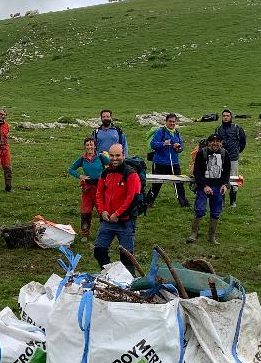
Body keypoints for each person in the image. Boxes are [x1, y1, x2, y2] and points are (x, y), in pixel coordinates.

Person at [93, 144, 141, 272]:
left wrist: (117, 214)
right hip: (107, 220)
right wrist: (102, 211)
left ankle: (130, 283)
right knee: (99, 251)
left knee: (126, 257)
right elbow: (99, 194)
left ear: (123, 155)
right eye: (112, 155)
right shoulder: (106, 173)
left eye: (117, 155)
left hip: (125, 221)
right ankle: (110, 274)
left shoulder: (131, 175)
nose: (114, 158)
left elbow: (132, 198)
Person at [188, 134, 231, 244]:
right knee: (200, 209)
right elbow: (197, 172)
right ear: (209, 142)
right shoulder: (202, 153)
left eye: (217, 141)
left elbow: (226, 171)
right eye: (213, 141)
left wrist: (225, 185)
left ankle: (211, 236)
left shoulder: (224, 153)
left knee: (216, 212)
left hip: (218, 187)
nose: (215, 143)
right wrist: (204, 186)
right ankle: (194, 233)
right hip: (204, 186)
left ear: (221, 143)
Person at [67, 136, 105, 241]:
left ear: (95, 146)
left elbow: (112, 164)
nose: (89, 146)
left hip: (99, 188)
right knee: (85, 211)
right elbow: (70, 169)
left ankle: (104, 233)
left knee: (101, 210)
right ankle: (85, 234)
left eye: (91, 144)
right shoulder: (82, 159)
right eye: (87, 144)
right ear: (85, 146)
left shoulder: (101, 158)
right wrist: (80, 176)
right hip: (87, 189)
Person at [147, 113, 188, 208]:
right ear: (166, 121)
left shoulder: (177, 132)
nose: (172, 123)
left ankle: (183, 203)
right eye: (170, 121)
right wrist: (163, 144)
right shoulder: (160, 131)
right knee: (156, 184)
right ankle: (148, 202)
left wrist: (178, 148)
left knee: (179, 183)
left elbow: (181, 147)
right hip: (160, 162)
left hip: (174, 162)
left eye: (174, 122)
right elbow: (153, 144)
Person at [212, 109, 247, 207]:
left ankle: (233, 201)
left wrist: (237, 151)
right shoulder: (218, 129)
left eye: (227, 116)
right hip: (220, 158)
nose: (225, 117)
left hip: (233, 158)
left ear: (231, 117)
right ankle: (221, 200)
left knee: (234, 179)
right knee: (220, 178)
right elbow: (214, 143)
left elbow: (243, 142)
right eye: (224, 116)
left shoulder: (237, 128)